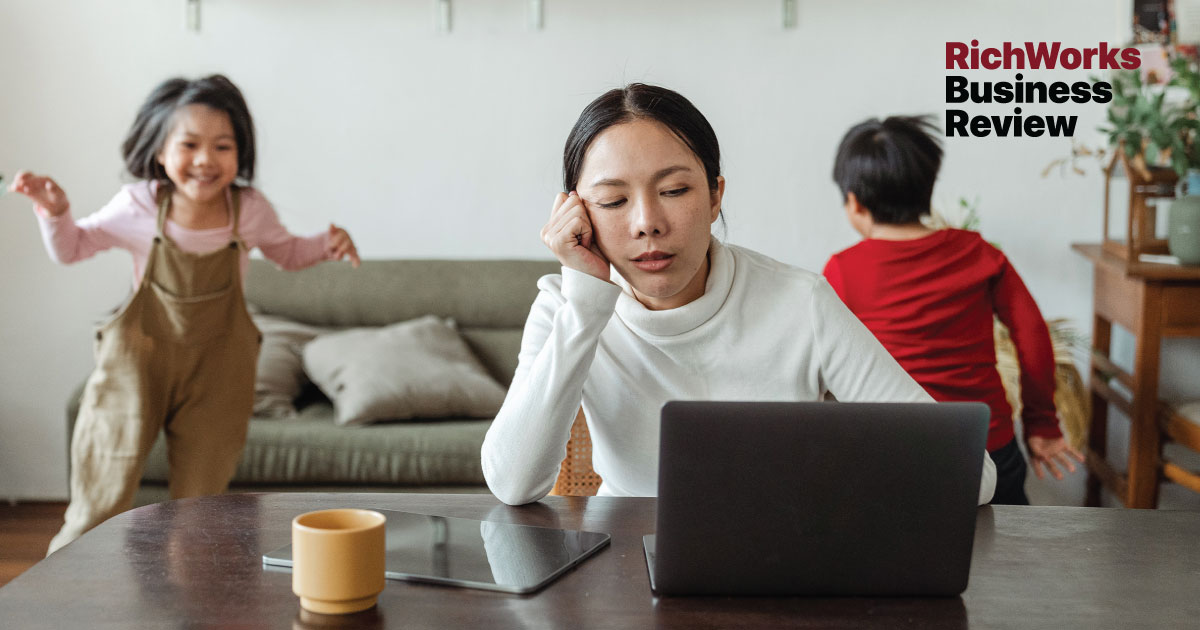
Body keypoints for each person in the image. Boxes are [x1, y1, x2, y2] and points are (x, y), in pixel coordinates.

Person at [481, 84, 996, 506]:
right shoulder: (566, 307)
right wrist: (585, 303)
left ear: (714, 197)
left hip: (781, 557)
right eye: (613, 200)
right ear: (576, 214)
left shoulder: (801, 302)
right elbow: (512, 484)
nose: (647, 223)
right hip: (625, 563)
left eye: (674, 191)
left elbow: (972, 476)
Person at [8, 74, 361, 553]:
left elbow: (287, 253)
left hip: (217, 374)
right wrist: (55, 213)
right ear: (160, 151)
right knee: (97, 503)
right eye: (189, 144)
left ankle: (188, 596)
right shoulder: (138, 205)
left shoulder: (249, 210)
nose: (205, 160)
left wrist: (326, 244)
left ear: (240, 152)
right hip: (136, 367)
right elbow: (73, 248)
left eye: (222, 146)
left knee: (199, 513)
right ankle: (61, 592)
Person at [822, 115, 1083, 505]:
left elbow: (828, 363)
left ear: (854, 203)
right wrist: (1041, 422)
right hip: (987, 447)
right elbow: (1032, 335)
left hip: (896, 452)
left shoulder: (842, 270)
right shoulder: (979, 253)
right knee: (1007, 542)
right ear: (927, 189)